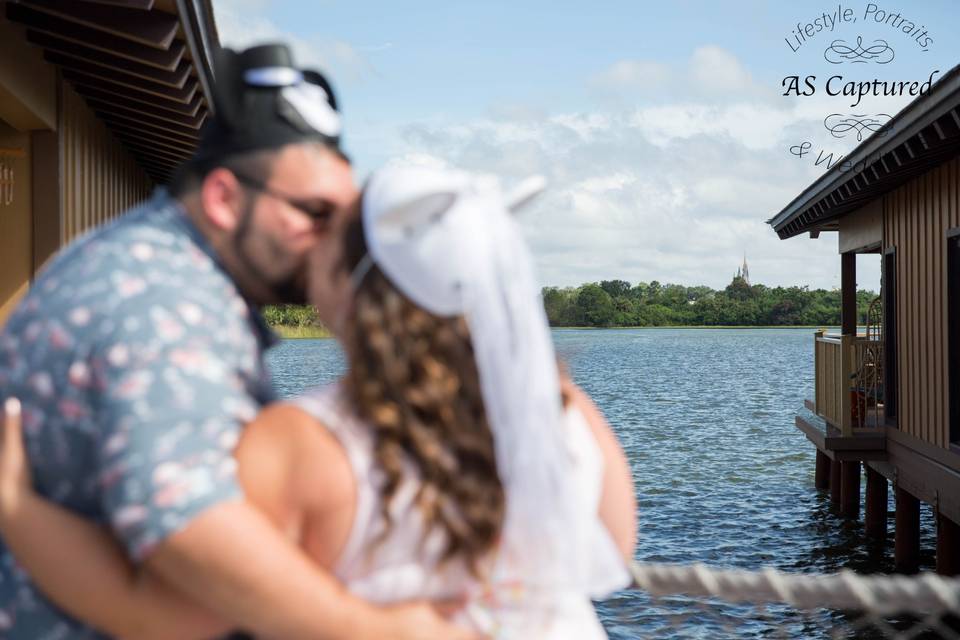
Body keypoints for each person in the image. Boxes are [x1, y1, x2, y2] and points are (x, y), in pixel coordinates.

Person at [0, 165, 638, 638]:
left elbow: (164, 615)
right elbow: (614, 542)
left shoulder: (305, 442)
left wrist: (19, 507)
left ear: (350, 283)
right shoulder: (560, 410)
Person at [0, 43, 476, 639]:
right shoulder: (162, 301)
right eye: (315, 213)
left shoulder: (154, 263)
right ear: (225, 199)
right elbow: (191, 523)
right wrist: (375, 630)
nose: (337, 242)